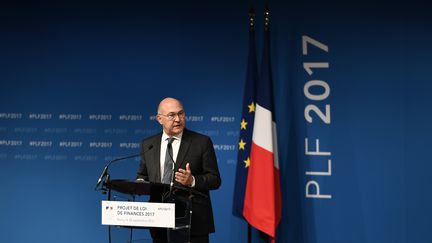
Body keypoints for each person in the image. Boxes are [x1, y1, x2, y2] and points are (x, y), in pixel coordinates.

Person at [136, 97, 221, 243]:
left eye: (181, 114)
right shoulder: (148, 144)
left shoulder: (201, 142)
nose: (178, 119)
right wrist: (138, 184)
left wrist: (192, 180)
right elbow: (143, 176)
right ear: (159, 119)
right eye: (171, 115)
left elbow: (215, 179)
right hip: (158, 221)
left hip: (193, 222)